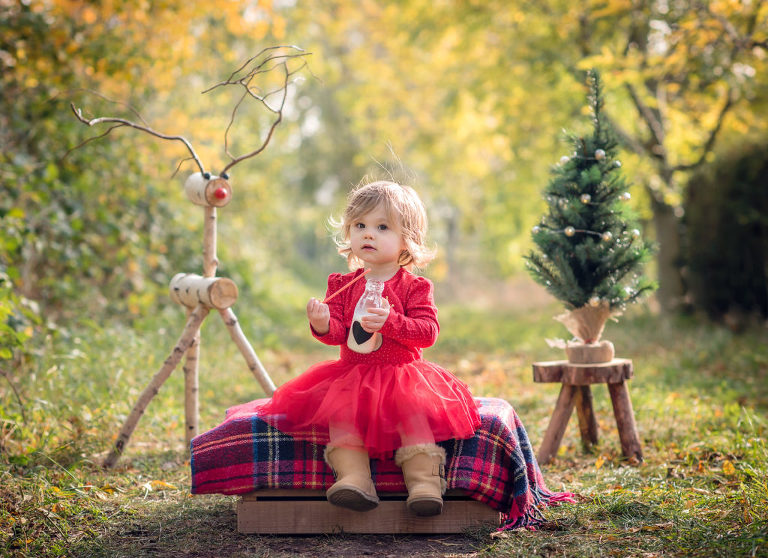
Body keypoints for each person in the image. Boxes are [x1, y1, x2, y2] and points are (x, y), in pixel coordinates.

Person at [261, 180, 480, 516]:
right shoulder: (342, 284)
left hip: (402, 375)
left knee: (413, 416)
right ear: (348, 232)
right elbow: (338, 333)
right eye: (359, 226)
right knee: (343, 419)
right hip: (352, 376)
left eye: (381, 227)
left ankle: (425, 483)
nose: (368, 234)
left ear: (407, 238)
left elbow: (428, 332)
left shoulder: (414, 286)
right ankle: (353, 479)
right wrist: (321, 322)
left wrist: (391, 321)